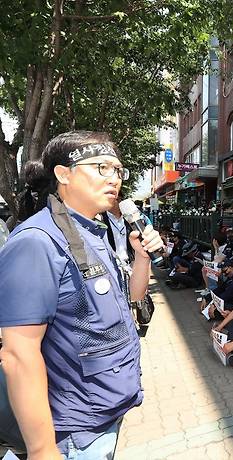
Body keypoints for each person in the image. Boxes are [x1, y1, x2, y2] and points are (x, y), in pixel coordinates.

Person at [0, 131, 163, 459]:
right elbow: (18, 353)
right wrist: (43, 450)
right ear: (63, 174)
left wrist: (142, 258)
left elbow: (132, 298)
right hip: (71, 432)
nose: (114, 178)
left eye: (118, 170)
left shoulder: (94, 232)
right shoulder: (37, 242)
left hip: (105, 413)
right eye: (102, 167)